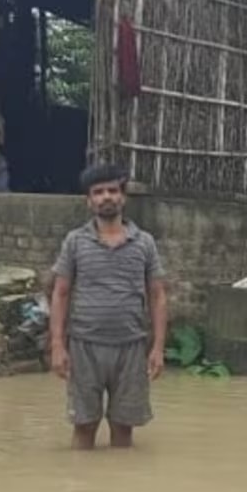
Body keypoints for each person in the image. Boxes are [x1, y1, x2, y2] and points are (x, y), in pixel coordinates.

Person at [49, 163, 167, 450]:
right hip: (84, 345)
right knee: (83, 426)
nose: (106, 197)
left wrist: (158, 348)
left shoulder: (144, 243)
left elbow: (157, 296)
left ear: (123, 197)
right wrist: (57, 345)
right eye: (98, 192)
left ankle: (120, 489)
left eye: (112, 190)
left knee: (123, 429)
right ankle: (80, 490)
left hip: (130, 346)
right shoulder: (75, 242)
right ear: (89, 201)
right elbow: (60, 293)